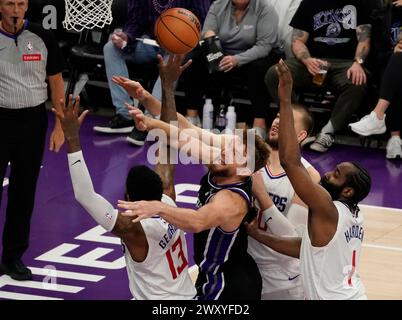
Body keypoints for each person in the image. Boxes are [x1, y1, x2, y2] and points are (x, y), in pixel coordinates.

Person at [116, 54, 270, 300]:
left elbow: (198, 222)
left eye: (233, 153)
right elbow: (185, 130)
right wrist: (146, 99)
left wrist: (158, 206)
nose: (222, 151)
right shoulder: (223, 163)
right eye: (227, 146)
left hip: (227, 285)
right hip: (213, 273)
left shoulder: (231, 200)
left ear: (244, 170)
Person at [52, 54, 197, 299]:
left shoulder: (133, 229)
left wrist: (73, 138)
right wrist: (168, 87)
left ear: (128, 197)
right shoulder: (169, 201)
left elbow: (85, 196)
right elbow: (169, 140)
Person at [246, 60, 371, 300]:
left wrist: (284, 99)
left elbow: (290, 162)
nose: (326, 174)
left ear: (347, 192)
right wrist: (259, 235)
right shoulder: (356, 216)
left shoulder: (327, 208)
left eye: (335, 175)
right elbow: (302, 248)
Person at [0, 0, 65, 281]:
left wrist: (59, 125)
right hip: (1, 119)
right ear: (0, 7)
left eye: (21, 4)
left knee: (23, 192)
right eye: (9, 4)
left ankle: (13, 257)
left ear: (27, 7)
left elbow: (56, 82)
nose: (16, 9)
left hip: (33, 121)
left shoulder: (42, 36)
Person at [93, 0, 212, 146]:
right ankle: (125, 115)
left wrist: (180, 38)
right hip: (152, 42)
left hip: (182, 45)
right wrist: (127, 37)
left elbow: (206, 21)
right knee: (111, 48)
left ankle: (150, 120)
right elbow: (135, 21)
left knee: (172, 58)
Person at [265, 0, 372, 153]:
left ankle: (328, 132)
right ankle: (297, 123)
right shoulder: (309, 3)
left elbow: (364, 39)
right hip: (313, 61)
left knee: (358, 81)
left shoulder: (360, 3)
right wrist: (307, 59)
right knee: (275, 73)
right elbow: (297, 40)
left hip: (345, 63)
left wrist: (358, 63)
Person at [248, 105, 321, 300]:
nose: (277, 121)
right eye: (278, 116)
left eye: (287, 121)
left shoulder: (309, 176)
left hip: (282, 277)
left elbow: (292, 238)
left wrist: (262, 196)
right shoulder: (250, 158)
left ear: (301, 135)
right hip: (244, 265)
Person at [182, 0, 280, 138]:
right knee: (197, 59)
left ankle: (260, 124)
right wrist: (213, 44)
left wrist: (237, 60)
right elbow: (207, 32)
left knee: (258, 69)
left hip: (254, 56)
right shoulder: (218, 5)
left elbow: (264, 46)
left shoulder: (265, 8)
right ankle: (192, 116)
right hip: (224, 53)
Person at [349, 0, 402, 159]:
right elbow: (378, 54)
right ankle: (395, 140)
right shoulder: (381, 15)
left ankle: (382, 122)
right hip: (391, 68)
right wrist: (394, 51)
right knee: (396, 64)